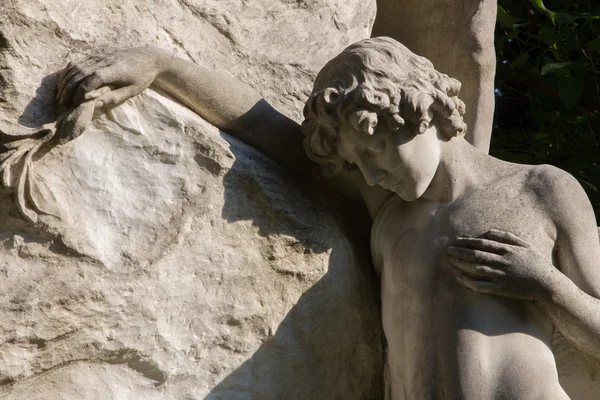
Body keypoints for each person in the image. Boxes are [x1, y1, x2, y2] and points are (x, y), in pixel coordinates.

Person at [56, 37, 600, 399]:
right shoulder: (385, 209)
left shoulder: (540, 189)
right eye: (356, 162)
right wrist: (162, 67)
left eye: (377, 149)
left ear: (420, 113)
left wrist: (547, 286)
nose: (369, 172)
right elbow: (263, 126)